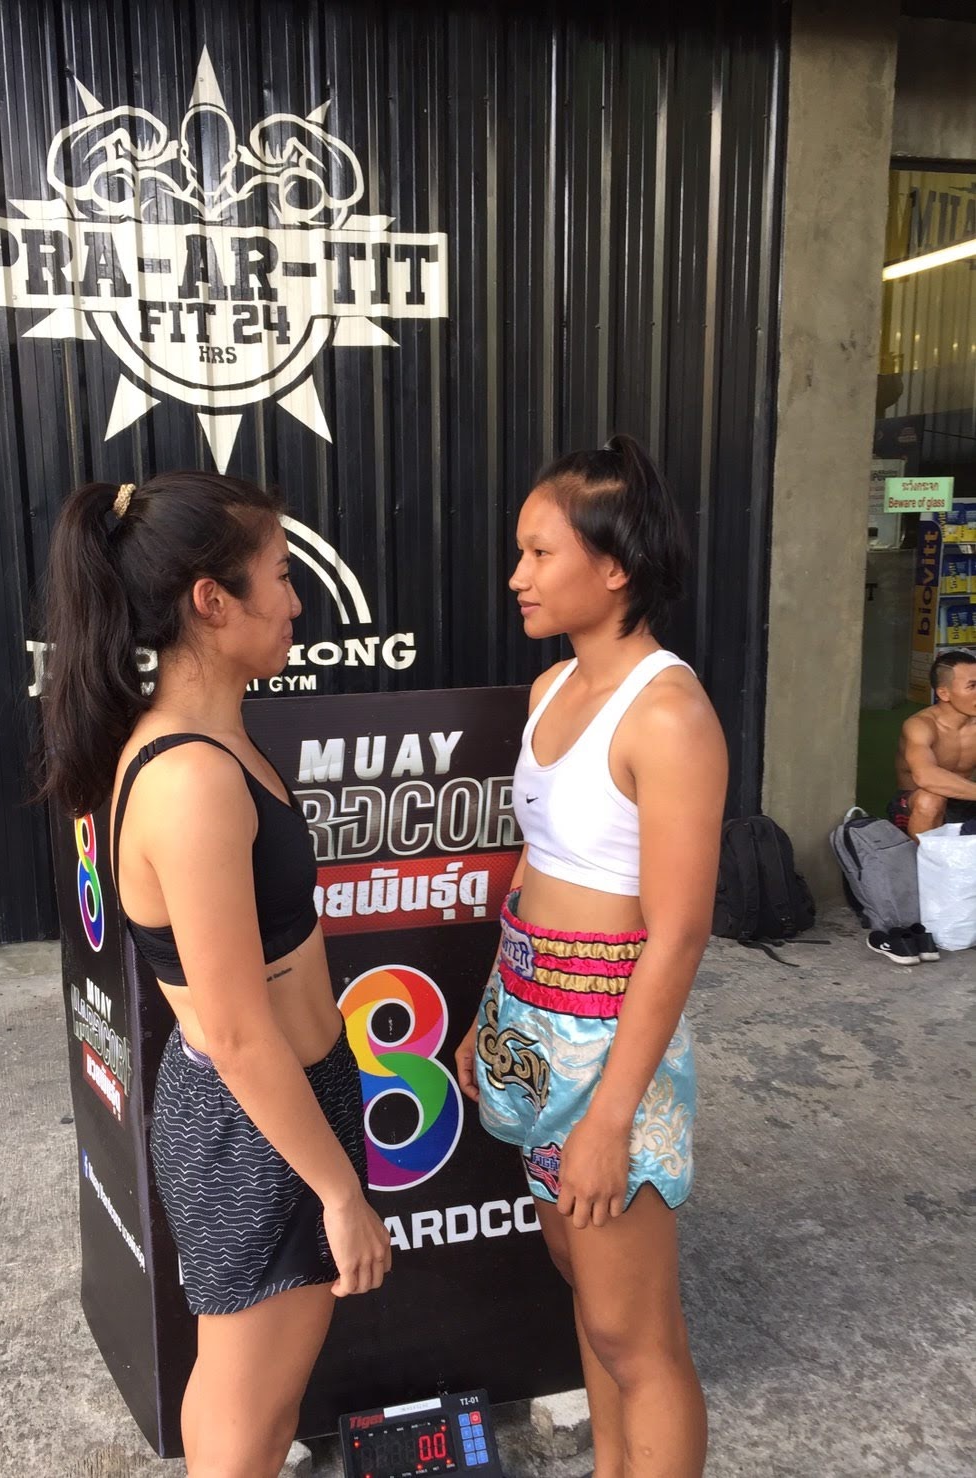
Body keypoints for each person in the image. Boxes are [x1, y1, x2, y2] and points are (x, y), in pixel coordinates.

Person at [40, 473, 390, 1478]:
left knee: (251, 1397)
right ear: (211, 600)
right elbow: (235, 1032)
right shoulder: (190, 776)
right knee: (250, 1413)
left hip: (289, 1100)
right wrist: (340, 1193)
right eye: (279, 576)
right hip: (254, 1123)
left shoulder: (220, 739)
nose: (295, 601)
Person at [455, 438, 726, 1478]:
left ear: (613, 566)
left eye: (539, 553)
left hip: (617, 1047)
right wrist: (489, 1013)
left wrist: (611, 1117)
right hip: (529, 1025)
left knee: (636, 1336)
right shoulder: (549, 689)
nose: (516, 576)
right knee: (584, 1284)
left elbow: (679, 931)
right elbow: (533, 873)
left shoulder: (669, 712)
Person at [890, 650, 976, 838]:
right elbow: (926, 777)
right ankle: (923, 857)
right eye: (972, 686)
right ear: (944, 693)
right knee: (930, 799)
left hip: (965, 800)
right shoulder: (920, 725)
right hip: (916, 805)